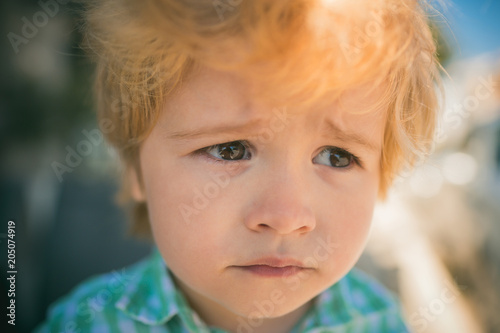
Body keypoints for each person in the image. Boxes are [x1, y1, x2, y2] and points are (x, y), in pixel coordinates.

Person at [36, 0, 441, 331]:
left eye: (337, 157)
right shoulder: (85, 322)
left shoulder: (379, 320)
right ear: (135, 169)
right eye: (230, 150)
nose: (286, 217)